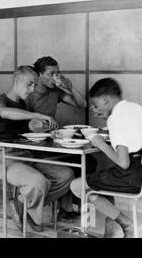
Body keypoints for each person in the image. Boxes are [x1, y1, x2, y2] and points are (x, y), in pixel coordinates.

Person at [0, 65, 74, 232]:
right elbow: (4, 113)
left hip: (26, 154)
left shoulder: (23, 106)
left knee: (66, 176)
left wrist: (44, 127)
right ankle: (29, 209)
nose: (33, 89)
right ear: (17, 81)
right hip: (2, 157)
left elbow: (28, 127)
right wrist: (37, 115)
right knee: (37, 182)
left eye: (34, 85)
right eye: (30, 84)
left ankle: (22, 203)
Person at [70, 78, 142, 238]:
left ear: (105, 99)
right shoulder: (136, 108)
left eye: (95, 105)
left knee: (78, 186)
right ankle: (112, 229)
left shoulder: (115, 117)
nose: (94, 109)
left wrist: (100, 143)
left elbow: (123, 162)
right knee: (102, 179)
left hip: (134, 176)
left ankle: (126, 224)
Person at [26, 56, 87, 221]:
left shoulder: (55, 92)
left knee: (86, 162)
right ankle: (37, 205)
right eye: (51, 73)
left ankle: (67, 209)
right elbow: (25, 124)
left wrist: (70, 88)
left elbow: (82, 104)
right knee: (68, 164)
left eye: (58, 73)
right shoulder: (28, 93)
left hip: (51, 142)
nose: (56, 77)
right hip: (31, 145)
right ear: (39, 75)